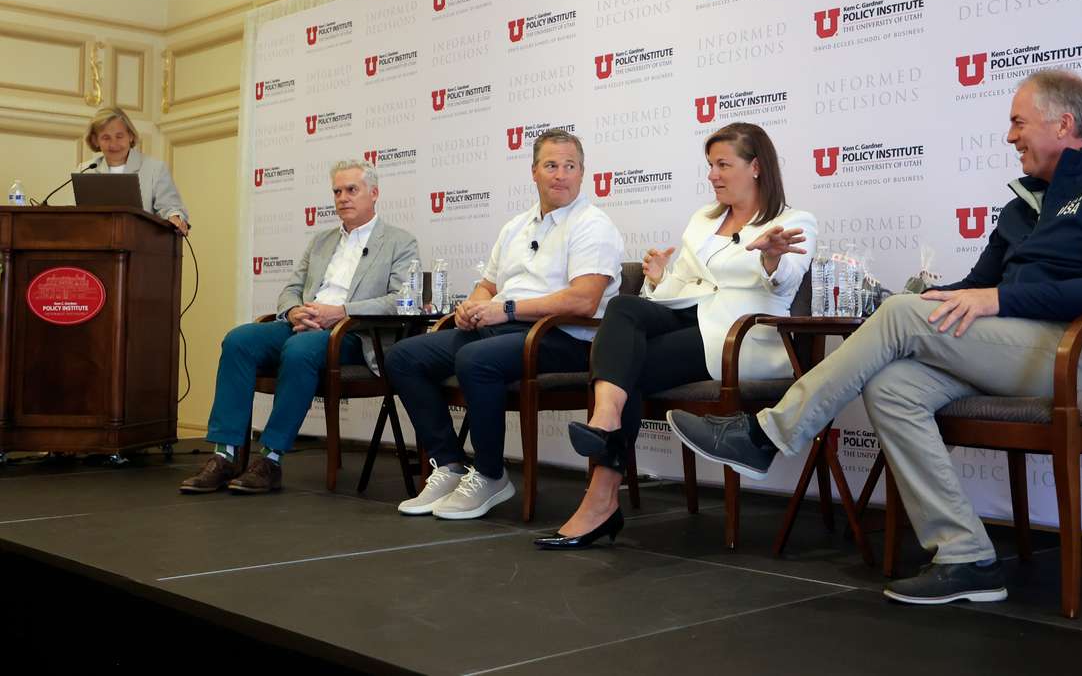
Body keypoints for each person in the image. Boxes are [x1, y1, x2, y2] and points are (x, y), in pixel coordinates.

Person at [669, 70, 1082, 604]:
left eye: (1018, 123)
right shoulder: (1023, 206)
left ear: (1064, 124)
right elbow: (975, 285)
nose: (1010, 137)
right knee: (892, 385)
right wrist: (914, 298)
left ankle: (766, 436)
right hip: (1017, 352)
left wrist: (997, 301)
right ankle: (966, 556)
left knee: (902, 317)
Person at [534, 122, 818, 549]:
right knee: (624, 308)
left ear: (756, 167)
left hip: (738, 339)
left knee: (625, 371)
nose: (713, 175)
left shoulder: (793, 221)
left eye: (723, 165)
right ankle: (605, 424)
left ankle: (600, 499)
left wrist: (772, 260)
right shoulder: (704, 220)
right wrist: (658, 279)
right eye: (710, 165)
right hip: (690, 317)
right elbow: (679, 289)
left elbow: (785, 284)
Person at [384, 129, 624, 520]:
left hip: (562, 339)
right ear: (534, 172)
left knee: (476, 359)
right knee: (403, 357)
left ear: (583, 173)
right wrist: (473, 306)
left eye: (570, 166)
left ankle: (491, 474)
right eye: (551, 165)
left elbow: (584, 301)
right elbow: (488, 285)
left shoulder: (593, 225)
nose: (560, 175)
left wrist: (507, 309)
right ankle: (449, 465)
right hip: (502, 330)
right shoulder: (516, 226)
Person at [180, 159, 418, 493]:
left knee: (300, 348)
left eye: (352, 190)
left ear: (374, 193)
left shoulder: (399, 242)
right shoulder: (321, 241)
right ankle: (225, 454)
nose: (343, 198)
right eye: (337, 191)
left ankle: (270, 458)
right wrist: (293, 311)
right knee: (239, 340)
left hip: (353, 333)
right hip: (304, 324)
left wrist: (340, 311)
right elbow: (292, 288)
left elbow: (400, 300)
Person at [77, 106, 190, 235]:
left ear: (130, 135)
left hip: (143, 243)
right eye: (106, 138)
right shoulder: (84, 170)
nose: (113, 144)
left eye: (119, 136)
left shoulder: (155, 169)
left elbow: (170, 207)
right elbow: (71, 213)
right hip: (96, 242)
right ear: (95, 140)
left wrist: (174, 217)